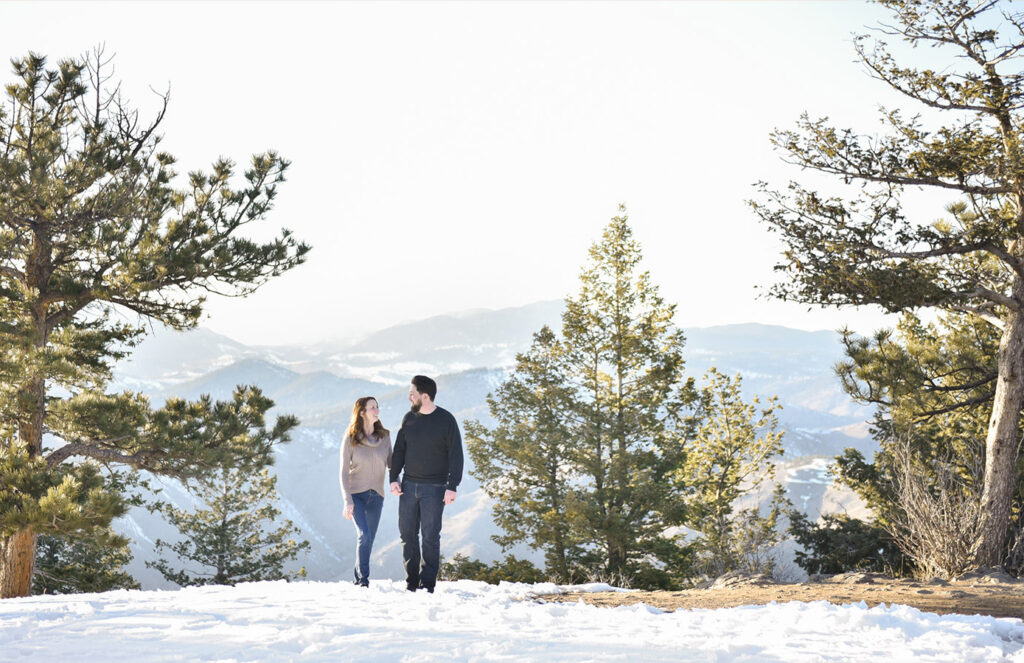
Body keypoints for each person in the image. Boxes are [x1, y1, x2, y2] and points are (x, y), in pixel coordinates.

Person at [389, 375, 463, 593]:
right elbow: (399, 451)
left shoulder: (446, 420)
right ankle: (412, 583)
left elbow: (456, 456)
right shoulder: (408, 419)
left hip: (436, 488)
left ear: (425, 396)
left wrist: (452, 485)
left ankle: (427, 585)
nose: (409, 397)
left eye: (412, 393)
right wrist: (394, 478)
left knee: (430, 537)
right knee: (407, 535)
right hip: (409, 486)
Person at [340, 396, 392, 587]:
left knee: (368, 540)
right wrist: (348, 500)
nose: (377, 410)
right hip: (357, 495)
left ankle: (357, 578)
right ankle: (363, 581)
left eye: (377, 407)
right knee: (365, 535)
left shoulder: (385, 437)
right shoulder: (351, 438)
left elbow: (391, 465)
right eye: (372, 408)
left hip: (377, 496)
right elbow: (343, 472)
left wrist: (396, 482)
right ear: (362, 412)